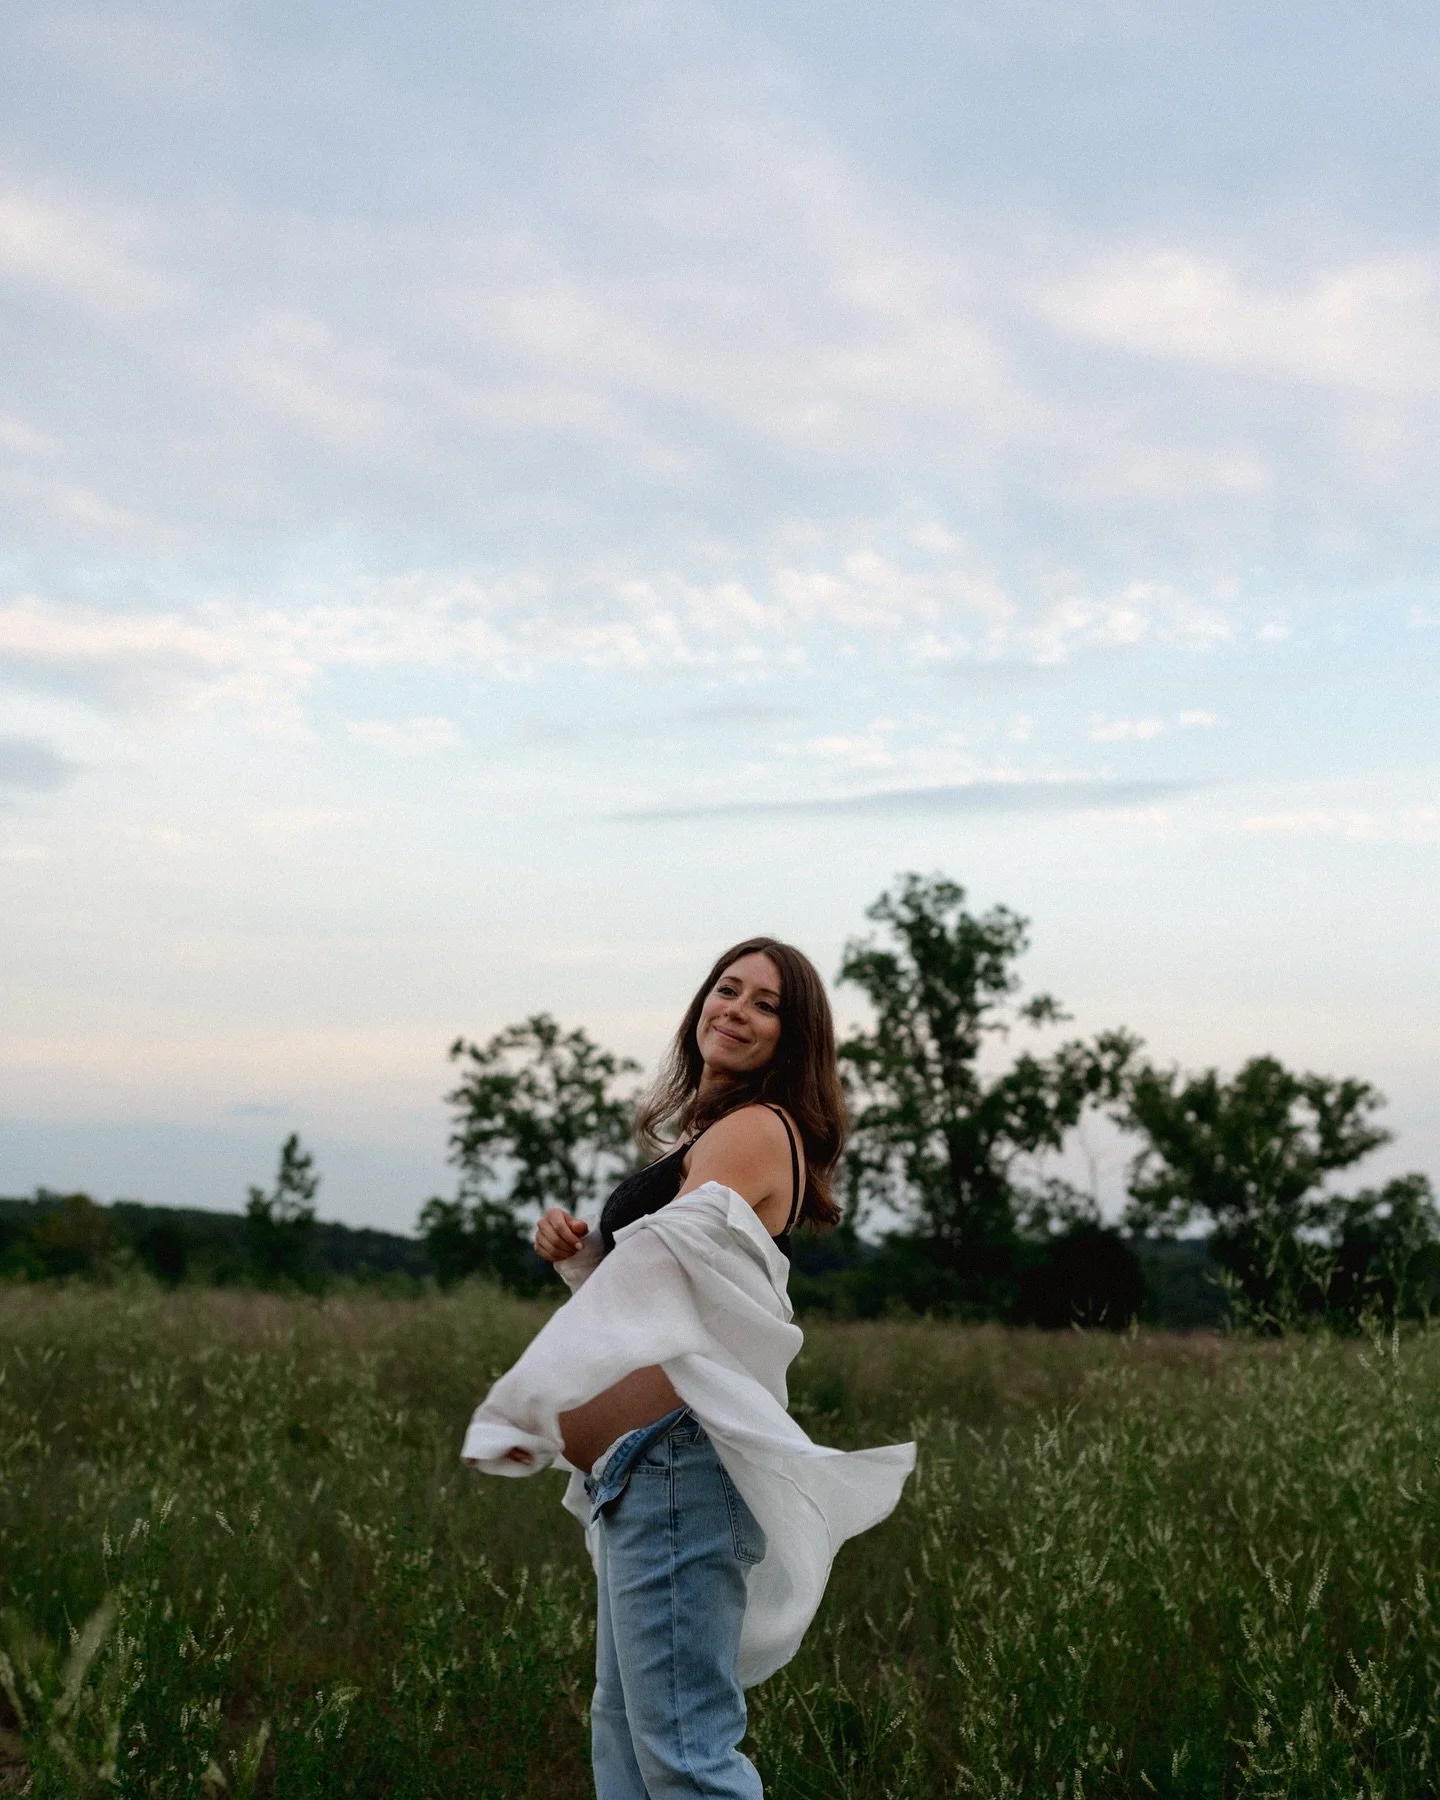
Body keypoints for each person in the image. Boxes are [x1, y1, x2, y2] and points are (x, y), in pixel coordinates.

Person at [461, 939, 915, 1799]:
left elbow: (652, 1283)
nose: (735, 1010)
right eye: (727, 989)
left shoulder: (753, 1131)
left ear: (794, 1039)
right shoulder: (706, 1138)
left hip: (679, 1465)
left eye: (765, 1004)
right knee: (628, 1741)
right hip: (646, 1475)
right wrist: (583, 1257)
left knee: (686, 1757)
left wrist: (520, 1405)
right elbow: (668, 1300)